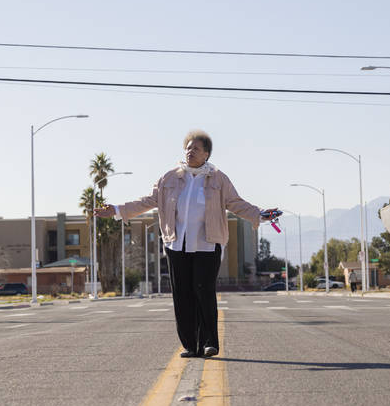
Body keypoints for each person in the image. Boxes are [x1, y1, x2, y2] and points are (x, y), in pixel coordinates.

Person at [97, 130, 276, 358]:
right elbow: (149, 200)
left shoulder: (218, 179)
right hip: (176, 244)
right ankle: (190, 345)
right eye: (188, 148)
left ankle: (210, 342)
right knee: (182, 294)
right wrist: (118, 210)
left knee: (203, 290)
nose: (191, 152)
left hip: (208, 244)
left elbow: (236, 203)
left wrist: (260, 214)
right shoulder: (170, 178)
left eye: (196, 149)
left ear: (207, 154)